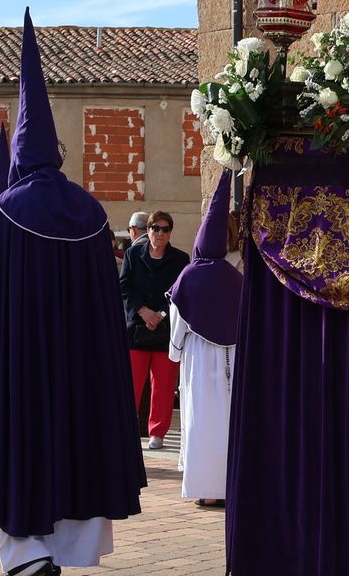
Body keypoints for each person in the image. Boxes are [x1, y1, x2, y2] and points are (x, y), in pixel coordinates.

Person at [0, 11, 145, 576]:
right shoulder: (91, 209)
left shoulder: (4, 211)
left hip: (21, 358)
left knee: (23, 439)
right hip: (80, 359)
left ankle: (28, 552)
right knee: (75, 435)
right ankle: (72, 545)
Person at [166, 173, 242, 507]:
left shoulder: (189, 275)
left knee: (200, 421)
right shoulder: (237, 276)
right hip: (233, 358)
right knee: (227, 422)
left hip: (199, 359)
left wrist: (176, 351)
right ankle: (231, 486)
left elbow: (178, 323)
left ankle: (207, 490)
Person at [119, 208, 189, 450]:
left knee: (163, 384)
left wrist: (159, 314)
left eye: (165, 229)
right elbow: (124, 286)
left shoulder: (181, 259)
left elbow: (180, 292)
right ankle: (126, 429)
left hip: (165, 328)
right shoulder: (132, 254)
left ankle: (157, 432)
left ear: (170, 234)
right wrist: (142, 311)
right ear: (147, 231)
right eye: (155, 228)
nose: (159, 233)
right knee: (131, 382)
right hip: (137, 327)